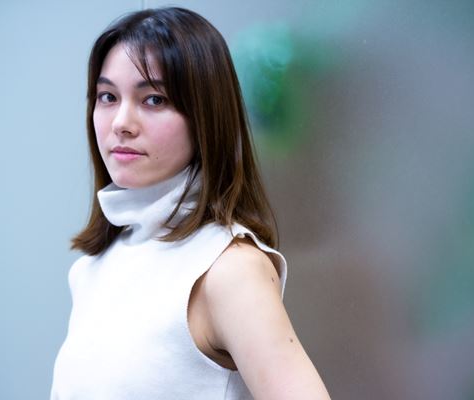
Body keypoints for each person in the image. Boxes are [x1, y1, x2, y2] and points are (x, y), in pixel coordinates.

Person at [50, 6, 330, 400]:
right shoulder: (90, 269)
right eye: (107, 96)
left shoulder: (229, 269)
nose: (121, 123)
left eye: (154, 99)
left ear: (205, 117)